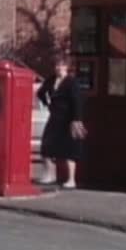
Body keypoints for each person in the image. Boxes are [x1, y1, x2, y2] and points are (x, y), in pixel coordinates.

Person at [36, 55, 85, 189]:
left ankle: (71, 180)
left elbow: (77, 101)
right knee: (46, 146)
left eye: (62, 65)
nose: (58, 67)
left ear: (67, 67)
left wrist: (77, 119)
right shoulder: (51, 80)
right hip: (55, 117)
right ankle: (50, 176)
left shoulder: (71, 82)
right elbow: (40, 93)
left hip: (69, 119)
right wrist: (47, 104)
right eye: (57, 65)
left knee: (69, 149)